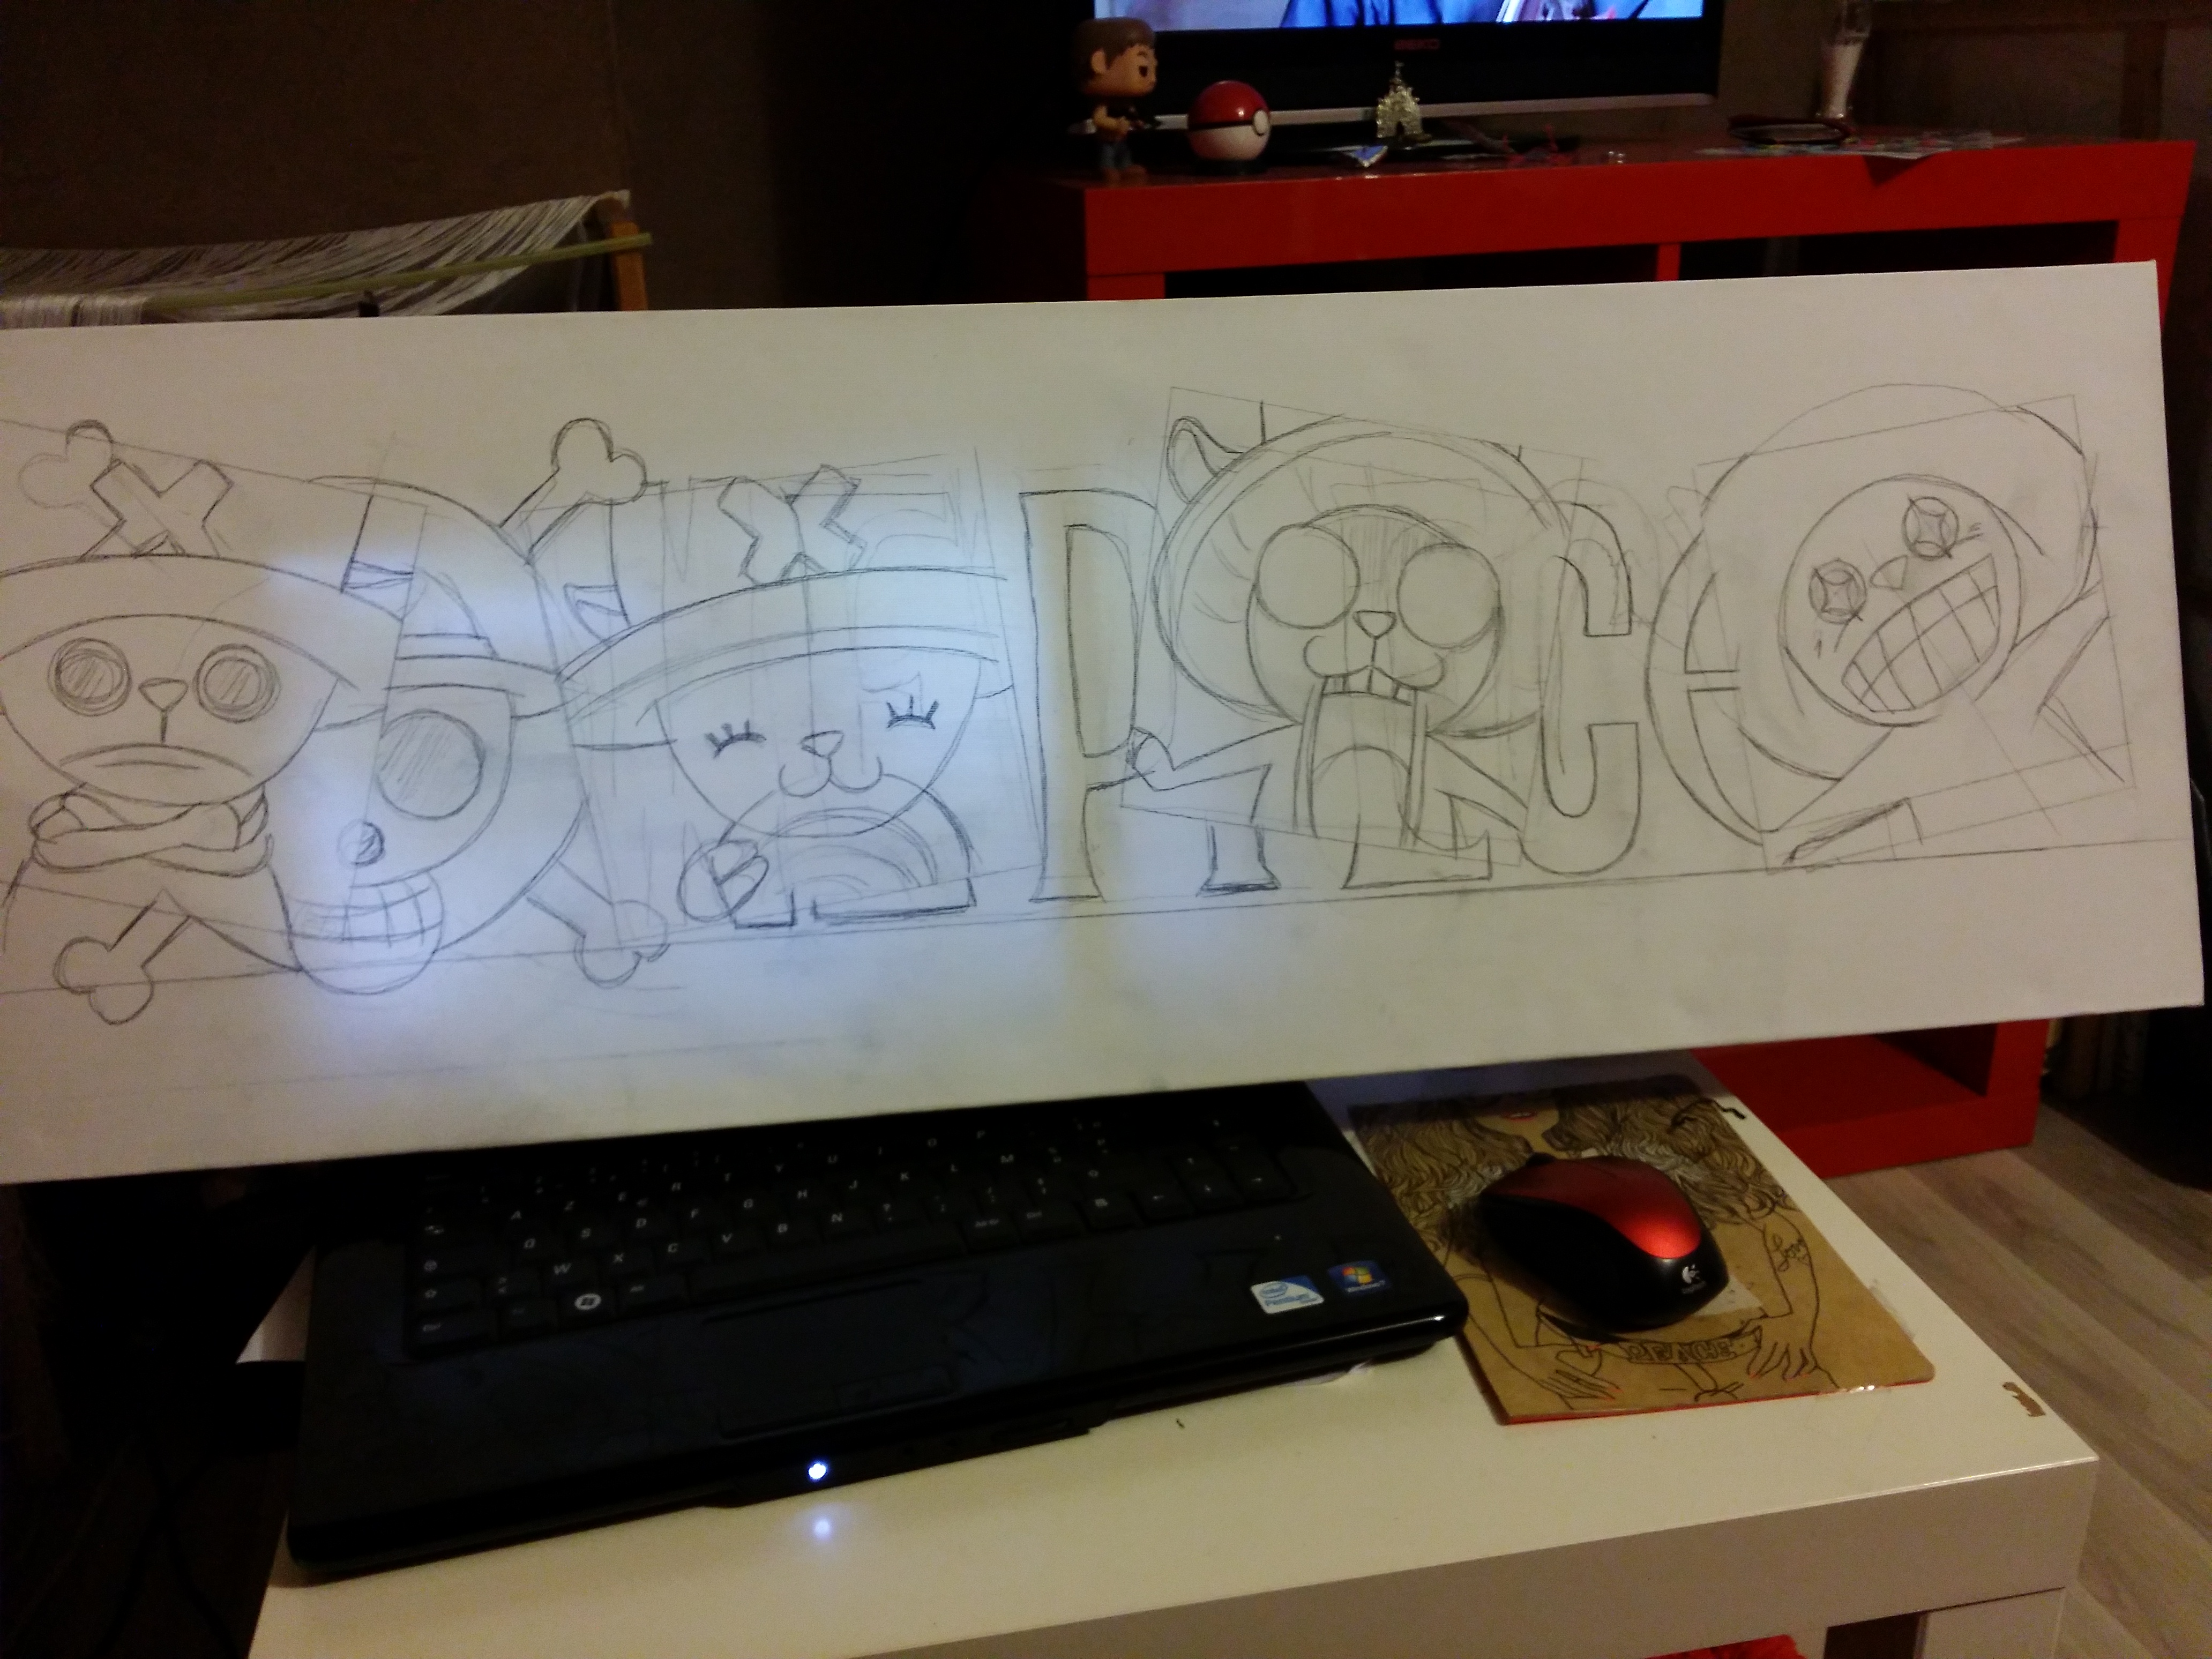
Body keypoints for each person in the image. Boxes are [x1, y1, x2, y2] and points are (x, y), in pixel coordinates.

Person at [1073, 18, 1157, 181]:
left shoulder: (1126, 104)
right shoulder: (1104, 104)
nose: (1153, 79)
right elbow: (1099, 119)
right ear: (1099, 63)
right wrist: (1116, 124)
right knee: (1108, 155)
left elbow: (1131, 116)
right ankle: (1106, 168)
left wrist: (1137, 123)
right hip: (1107, 140)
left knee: (1124, 154)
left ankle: (1125, 167)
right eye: (1143, 69)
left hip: (1121, 139)